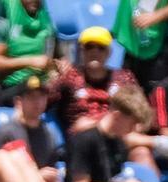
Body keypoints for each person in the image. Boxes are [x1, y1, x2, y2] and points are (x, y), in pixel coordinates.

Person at [49, 27, 157, 170]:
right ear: (81, 51)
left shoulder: (124, 77)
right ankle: (159, 142)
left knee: (141, 152)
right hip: (84, 143)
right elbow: (43, 101)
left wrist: (134, 127)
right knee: (84, 125)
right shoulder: (70, 77)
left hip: (120, 139)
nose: (94, 52)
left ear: (109, 52)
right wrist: (51, 75)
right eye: (89, 47)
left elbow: (144, 114)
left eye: (101, 47)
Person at [0, 0, 57, 108]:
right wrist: (29, 62)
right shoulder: (5, 17)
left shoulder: (45, 14)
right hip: (10, 87)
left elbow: (54, 54)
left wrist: (59, 64)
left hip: (41, 85)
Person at [110, 0, 168, 90]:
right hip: (135, 46)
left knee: (157, 98)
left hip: (161, 51)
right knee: (128, 97)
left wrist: (156, 16)